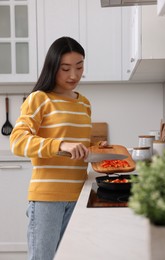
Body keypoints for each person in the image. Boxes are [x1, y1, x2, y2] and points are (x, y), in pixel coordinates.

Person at [10, 36, 94, 260]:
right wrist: (60, 145)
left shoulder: (84, 103)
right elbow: (17, 141)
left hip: (79, 194)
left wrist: (94, 148)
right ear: (53, 66)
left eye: (79, 66)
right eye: (65, 68)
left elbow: (79, 148)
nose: (74, 75)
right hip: (48, 198)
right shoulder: (40, 99)